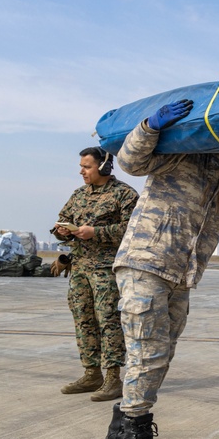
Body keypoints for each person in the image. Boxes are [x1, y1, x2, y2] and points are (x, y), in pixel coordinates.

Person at [101, 98, 219, 439]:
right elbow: (130, 162)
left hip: (181, 275)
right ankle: (135, 436)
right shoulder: (184, 156)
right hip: (144, 264)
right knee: (149, 352)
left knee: (159, 353)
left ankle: (122, 421)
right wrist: (150, 126)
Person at [52, 147, 139, 401]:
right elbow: (61, 220)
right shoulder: (78, 195)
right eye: (81, 166)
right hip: (79, 268)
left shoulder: (123, 194)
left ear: (103, 166)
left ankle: (113, 378)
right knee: (83, 319)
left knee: (108, 320)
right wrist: (62, 231)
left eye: (87, 166)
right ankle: (92, 373)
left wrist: (96, 233)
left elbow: (133, 229)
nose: (82, 171)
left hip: (106, 269)